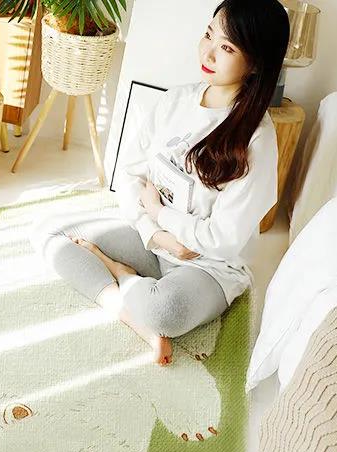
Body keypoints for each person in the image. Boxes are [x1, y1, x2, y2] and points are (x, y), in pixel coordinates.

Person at [29, 0, 290, 365]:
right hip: (153, 242)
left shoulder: (257, 140)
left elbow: (222, 239)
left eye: (227, 48)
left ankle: (123, 276)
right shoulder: (175, 101)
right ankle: (130, 311)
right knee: (50, 233)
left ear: (256, 63)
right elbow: (130, 176)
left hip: (207, 266)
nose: (208, 53)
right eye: (208, 35)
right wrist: (155, 233)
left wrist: (160, 214)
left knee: (164, 311)